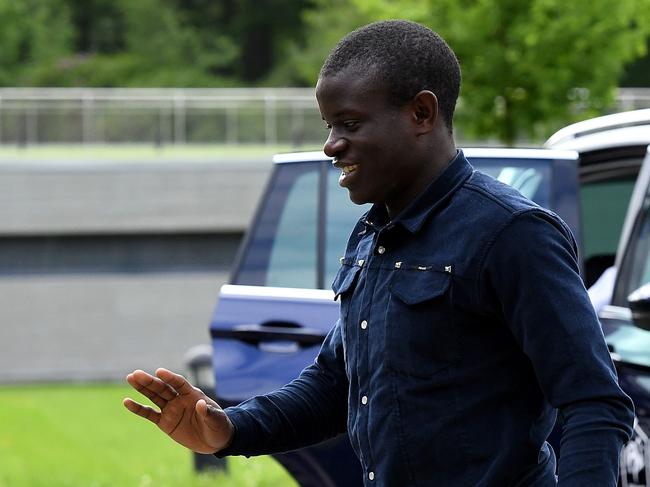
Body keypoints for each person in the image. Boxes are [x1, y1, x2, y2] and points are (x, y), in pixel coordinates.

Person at [124, 20, 634, 485]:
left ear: (421, 113)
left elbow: (594, 402)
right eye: (329, 125)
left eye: (348, 124)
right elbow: (336, 383)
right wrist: (229, 429)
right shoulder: (373, 234)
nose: (331, 145)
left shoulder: (513, 233)